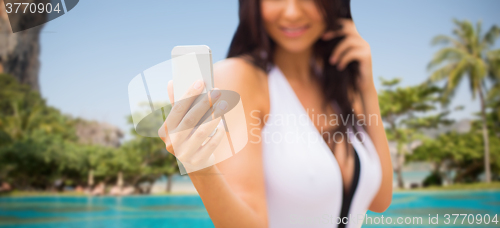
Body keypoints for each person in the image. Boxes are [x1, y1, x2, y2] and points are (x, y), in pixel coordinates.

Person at [159, 0, 393, 227]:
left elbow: (379, 200)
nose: (292, 12)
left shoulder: (339, 86)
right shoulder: (239, 78)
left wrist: (366, 88)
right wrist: (199, 167)